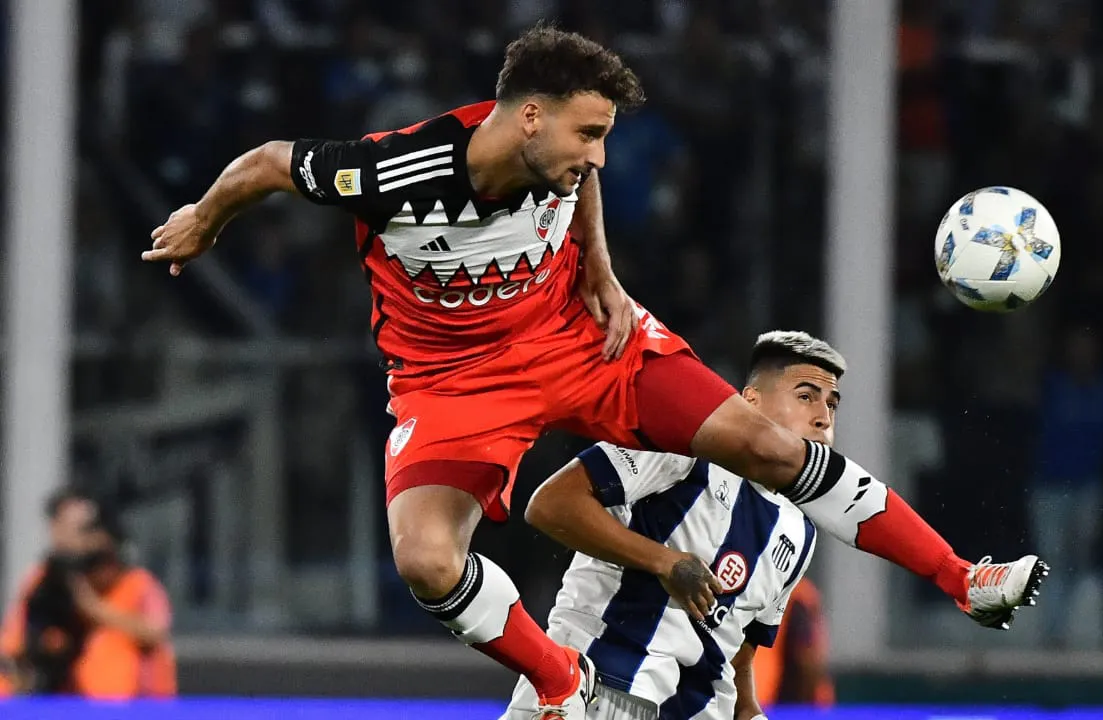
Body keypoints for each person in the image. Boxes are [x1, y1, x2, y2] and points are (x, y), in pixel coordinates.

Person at [143, 25, 1046, 719]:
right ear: (529, 117)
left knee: (770, 448)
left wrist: (602, 274)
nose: (599, 155)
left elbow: (581, 184)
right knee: (426, 560)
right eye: (589, 133)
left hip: (580, 341)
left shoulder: (559, 158)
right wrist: (205, 221)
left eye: (605, 134)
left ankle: (963, 578)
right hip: (453, 382)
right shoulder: (395, 171)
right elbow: (268, 163)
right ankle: (558, 681)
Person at [501, 332, 1045, 720]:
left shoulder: (800, 530)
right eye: (806, 396)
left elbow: (742, 642)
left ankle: (963, 578)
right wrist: (663, 561)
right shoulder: (680, 444)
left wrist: (748, 707)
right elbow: (550, 505)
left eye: (832, 403)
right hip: (592, 689)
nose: (823, 415)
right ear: (749, 402)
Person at [0, 492, 176, 698]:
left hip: (135, 705)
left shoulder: (137, 583)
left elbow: (156, 631)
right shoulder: (46, 580)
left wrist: (90, 605)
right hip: (67, 702)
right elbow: (16, 643)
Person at [751, 577, 835, 710]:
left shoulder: (799, 595)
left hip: (756, 696)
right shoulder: (798, 593)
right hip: (765, 698)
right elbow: (808, 656)